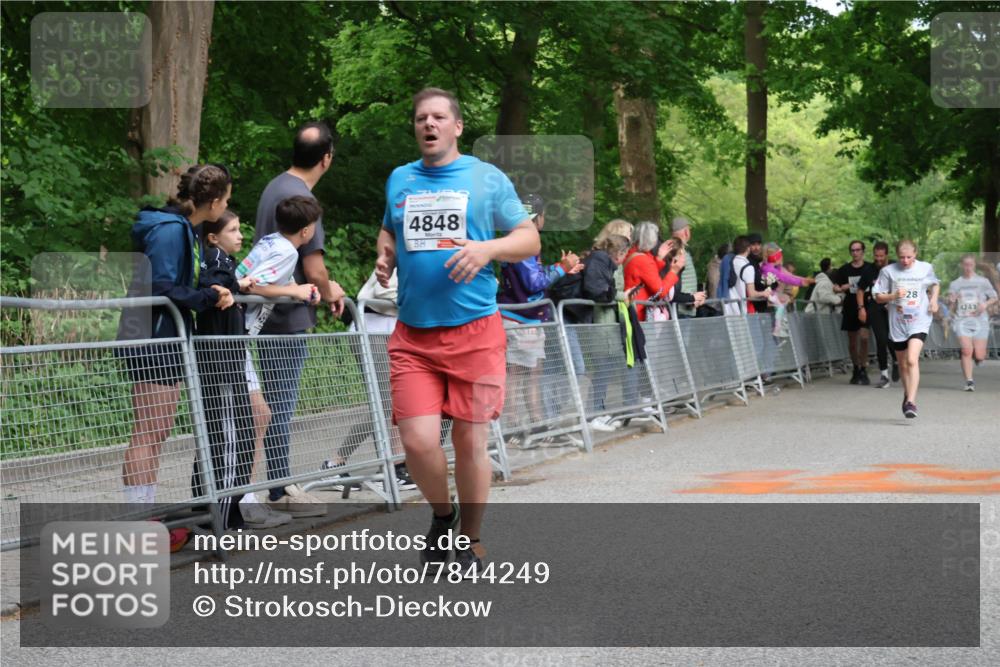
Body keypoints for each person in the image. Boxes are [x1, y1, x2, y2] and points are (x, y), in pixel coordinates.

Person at [375, 87, 540, 573]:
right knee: (418, 440)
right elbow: (389, 227)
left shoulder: (486, 178)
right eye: (421, 118)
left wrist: (487, 249)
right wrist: (385, 252)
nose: (429, 124)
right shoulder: (400, 179)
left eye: (439, 117)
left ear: (457, 126)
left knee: (470, 442)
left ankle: (469, 539)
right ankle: (443, 516)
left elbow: (529, 238)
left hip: (475, 331)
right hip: (414, 334)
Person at [116, 164, 235, 506]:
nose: (226, 208)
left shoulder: (185, 228)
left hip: (164, 337)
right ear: (212, 202)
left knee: (157, 430)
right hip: (153, 338)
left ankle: (145, 510)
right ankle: (139, 518)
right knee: (148, 432)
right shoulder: (170, 230)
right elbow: (163, 284)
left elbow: (182, 280)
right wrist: (208, 298)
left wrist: (215, 288)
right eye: (225, 201)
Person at [253, 122, 346, 516]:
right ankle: (280, 488)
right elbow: (314, 267)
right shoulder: (302, 198)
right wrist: (331, 292)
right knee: (280, 403)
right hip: (287, 316)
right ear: (327, 159)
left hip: (266, 311)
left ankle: (275, 483)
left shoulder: (274, 187)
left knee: (270, 402)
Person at [192, 210, 290, 530]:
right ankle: (221, 517)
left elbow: (223, 283)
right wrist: (231, 286)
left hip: (226, 359)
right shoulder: (215, 261)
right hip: (222, 361)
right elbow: (213, 284)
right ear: (213, 237)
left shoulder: (224, 263)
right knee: (230, 434)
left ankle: (224, 510)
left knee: (235, 431)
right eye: (232, 230)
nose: (240, 236)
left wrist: (238, 283)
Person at [242, 195, 325, 515]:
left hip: (241, 335)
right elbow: (254, 285)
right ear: (306, 231)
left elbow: (272, 273)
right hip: (241, 332)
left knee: (255, 414)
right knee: (257, 415)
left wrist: (300, 289)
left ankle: (244, 499)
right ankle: (244, 500)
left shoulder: (271, 241)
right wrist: (294, 291)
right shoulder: (288, 250)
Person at [497, 193, 581, 446]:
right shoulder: (524, 242)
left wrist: (560, 268)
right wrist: (562, 268)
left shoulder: (514, 240)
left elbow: (530, 277)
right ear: (537, 217)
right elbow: (534, 282)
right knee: (523, 375)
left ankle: (528, 426)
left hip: (522, 318)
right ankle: (527, 427)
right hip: (521, 319)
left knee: (523, 374)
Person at [872, 239, 940, 418]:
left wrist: (933, 301)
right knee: (902, 363)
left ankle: (911, 402)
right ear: (896, 256)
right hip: (898, 321)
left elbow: (935, 284)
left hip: (920, 319)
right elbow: (878, 297)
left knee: (911, 360)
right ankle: (907, 392)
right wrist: (893, 295)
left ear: (915, 254)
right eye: (902, 257)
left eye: (909, 257)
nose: (905, 261)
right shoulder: (888, 272)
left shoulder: (925, 268)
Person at [581, 233, 632, 431]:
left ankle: (599, 410)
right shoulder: (599, 262)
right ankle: (594, 412)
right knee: (601, 369)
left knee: (605, 370)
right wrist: (621, 295)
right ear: (619, 253)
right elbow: (599, 291)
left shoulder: (601, 262)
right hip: (600, 325)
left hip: (605, 324)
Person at [947, 254, 998, 391]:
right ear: (962, 265)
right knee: (966, 350)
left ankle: (978, 357)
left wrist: (985, 304)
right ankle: (969, 381)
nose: (968, 268)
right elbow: (950, 303)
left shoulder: (983, 282)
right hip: (962, 320)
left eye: (970, 265)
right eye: (966, 265)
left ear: (974, 265)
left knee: (980, 354)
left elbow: (994, 297)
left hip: (980, 320)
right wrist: (951, 300)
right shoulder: (956, 283)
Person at [834, 240, 878, 385]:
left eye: (858, 250)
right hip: (850, 306)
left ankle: (864, 369)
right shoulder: (844, 270)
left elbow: (878, 283)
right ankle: (856, 368)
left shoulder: (870, 268)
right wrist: (844, 287)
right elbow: (835, 287)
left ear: (863, 251)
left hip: (866, 305)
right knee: (853, 342)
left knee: (864, 338)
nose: (855, 253)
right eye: (853, 250)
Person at [623, 221, 682, 322]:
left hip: (632, 308)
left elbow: (648, 275)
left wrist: (659, 258)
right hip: (639, 314)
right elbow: (660, 291)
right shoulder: (643, 260)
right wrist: (674, 271)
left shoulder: (632, 254)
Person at [858, 241, 896, 388]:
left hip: (893, 307)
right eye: (876, 256)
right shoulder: (869, 270)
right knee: (881, 339)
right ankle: (884, 375)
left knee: (893, 339)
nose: (878, 259)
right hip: (875, 307)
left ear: (887, 255)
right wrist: (861, 308)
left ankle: (897, 362)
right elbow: (860, 290)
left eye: (881, 256)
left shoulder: (896, 267)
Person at [726, 235, 771, 317]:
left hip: (729, 306)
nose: (756, 248)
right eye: (753, 245)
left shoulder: (731, 261)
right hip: (744, 308)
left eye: (758, 244)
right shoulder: (748, 266)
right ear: (748, 248)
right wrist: (764, 293)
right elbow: (752, 294)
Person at [669, 217, 704, 317]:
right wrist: (690, 299)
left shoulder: (673, 248)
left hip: (686, 306)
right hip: (681, 309)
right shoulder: (677, 250)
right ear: (686, 232)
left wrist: (695, 298)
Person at [705, 243, 730, 307]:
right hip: (716, 305)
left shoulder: (713, 265)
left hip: (714, 303)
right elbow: (714, 286)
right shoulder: (718, 267)